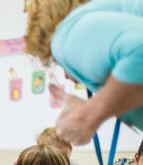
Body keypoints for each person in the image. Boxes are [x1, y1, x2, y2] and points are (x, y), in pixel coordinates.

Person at [25, 0, 143, 146]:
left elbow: (139, 49)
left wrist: (89, 114)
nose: (67, 76)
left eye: (57, 62)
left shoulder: (65, 35)